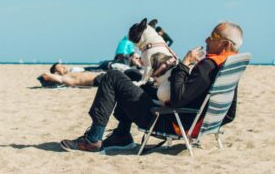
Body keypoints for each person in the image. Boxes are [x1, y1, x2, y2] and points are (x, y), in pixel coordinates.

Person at [59, 22, 243, 153]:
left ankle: (92, 139)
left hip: (170, 120)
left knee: (112, 77)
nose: (206, 39)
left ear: (225, 44)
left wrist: (184, 64)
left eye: (213, 37)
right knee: (131, 76)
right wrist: (209, 122)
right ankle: (122, 136)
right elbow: (230, 113)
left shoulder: (208, 67)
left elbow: (178, 98)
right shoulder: (229, 65)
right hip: (190, 119)